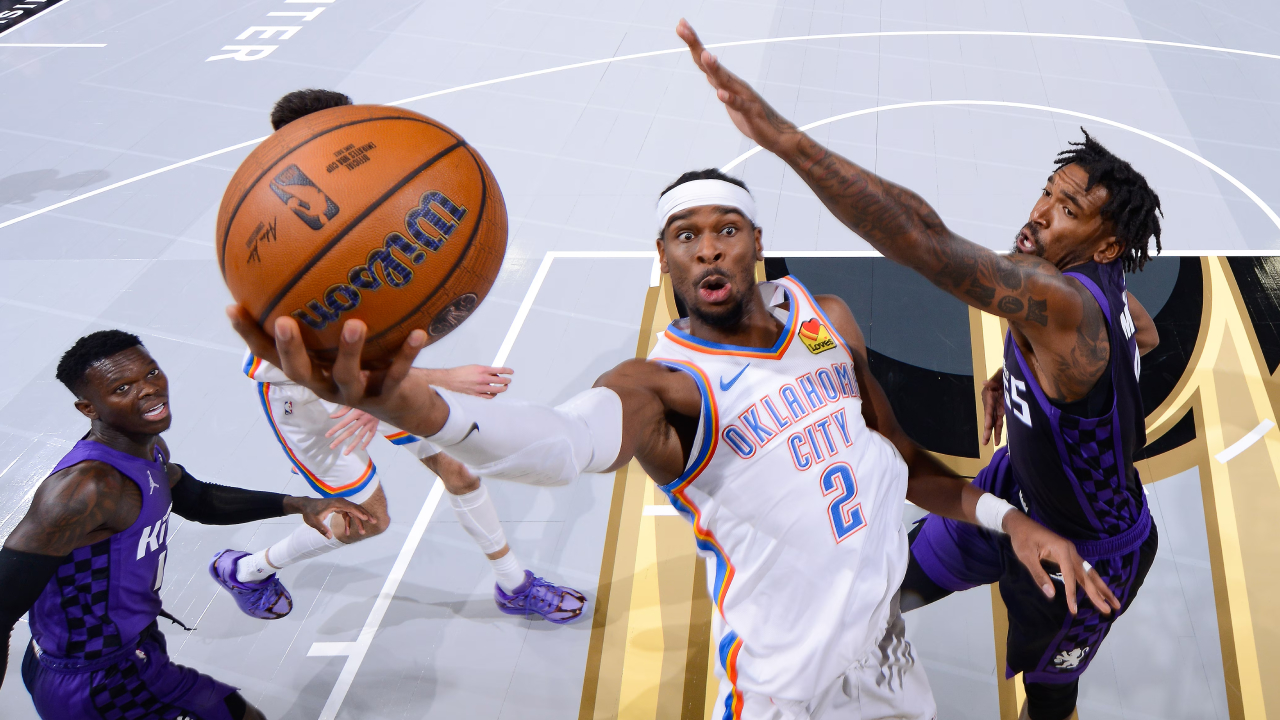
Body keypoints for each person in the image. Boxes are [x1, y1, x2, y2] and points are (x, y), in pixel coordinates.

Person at [227, 161, 1117, 718]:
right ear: (665, 259)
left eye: (726, 230)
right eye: (686, 237)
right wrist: (419, 407)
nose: (708, 250)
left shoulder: (824, 319)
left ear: (756, 241)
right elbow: (562, 442)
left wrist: (1010, 522)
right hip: (783, 689)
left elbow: (907, 465)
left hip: (885, 654)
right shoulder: (663, 385)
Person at [671, 20, 1163, 720]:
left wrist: (789, 143)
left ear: (1106, 245)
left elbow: (923, 240)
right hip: (1013, 490)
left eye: (1068, 211)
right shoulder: (1098, 291)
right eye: (1048, 193)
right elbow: (1142, 331)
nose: (1040, 214)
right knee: (885, 585)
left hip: (1089, 551)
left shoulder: (1062, 305)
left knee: (1048, 697)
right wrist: (1028, 375)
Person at [207, 89, 587, 626]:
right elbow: (316, 368)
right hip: (301, 394)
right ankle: (246, 570)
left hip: (370, 376)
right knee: (368, 519)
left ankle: (514, 585)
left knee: (459, 469)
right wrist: (444, 377)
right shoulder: (267, 237)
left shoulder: (368, 190)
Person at [0, 330, 370, 719]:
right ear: (88, 408)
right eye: (122, 387)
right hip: (97, 683)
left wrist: (300, 504)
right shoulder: (86, 490)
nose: (149, 389)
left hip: (132, 651)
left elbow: (197, 499)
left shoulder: (148, 448)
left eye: (151, 373)